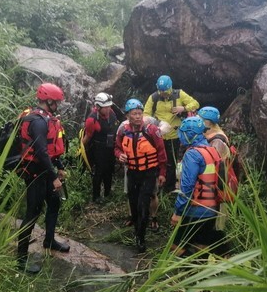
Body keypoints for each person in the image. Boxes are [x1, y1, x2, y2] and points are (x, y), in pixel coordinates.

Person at [16, 82, 70, 274]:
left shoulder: (47, 118)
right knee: (32, 212)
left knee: (54, 203)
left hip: (45, 171)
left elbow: (51, 150)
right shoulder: (38, 121)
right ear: (48, 101)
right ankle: (21, 259)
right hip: (35, 173)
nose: (58, 105)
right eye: (56, 102)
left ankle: (49, 240)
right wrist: (55, 176)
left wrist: (60, 166)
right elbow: (40, 151)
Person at [143, 74, 199, 229]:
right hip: (158, 136)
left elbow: (195, 104)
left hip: (175, 136)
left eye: (166, 91)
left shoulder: (179, 94)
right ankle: (159, 185)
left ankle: (170, 188)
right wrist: (157, 124)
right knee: (161, 161)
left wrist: (184, 108)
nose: (164, 94)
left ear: (171, 87)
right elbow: (145, 115)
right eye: (161, 91)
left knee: (174, 163)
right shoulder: (154, 98)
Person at [115, 99, 167, 252]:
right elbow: (117, 148)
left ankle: (140, 238)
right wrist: (119, 155)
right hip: (132, 172)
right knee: (133, 205)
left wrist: (162, 173)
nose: (138, 116)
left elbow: (162, 153)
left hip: (148, 173)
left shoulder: (151, 130)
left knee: (143, 204)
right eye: (134, 114)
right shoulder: (123, 131)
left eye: (139, 113)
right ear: (128, 116)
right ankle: (138, 230)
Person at [170, 116, 224, 257]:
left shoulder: (193, 154)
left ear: (190, 134)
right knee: (201, 245)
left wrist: (178, 212)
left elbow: (186, 187)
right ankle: (201, 274)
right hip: (212, 208)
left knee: (175, 246)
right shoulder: (212, 150)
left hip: (195, 209)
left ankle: (189, 271)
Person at [82, 92, 119, 204]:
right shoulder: (92, 120)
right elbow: (87, 137)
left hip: (110, 146)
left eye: (109, 106)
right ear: (98, 107)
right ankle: (96, 196)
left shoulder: (111, 112)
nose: (108, 109)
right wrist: (82, 152)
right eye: (105, 107)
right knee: (99, 172)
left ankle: (108, 192)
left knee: (109, 170)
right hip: (99, 149)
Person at [198, 106, 231, 230]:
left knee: (214, 212)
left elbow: (215, 163)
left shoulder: (217, 140)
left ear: (208, 122)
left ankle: (212, 235)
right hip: (212, 180)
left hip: (216, 181)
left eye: (200, 119)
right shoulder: (209, 133)